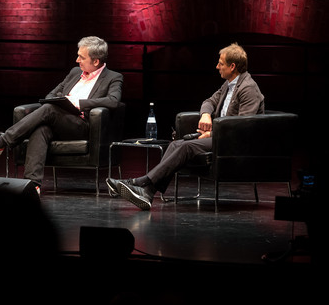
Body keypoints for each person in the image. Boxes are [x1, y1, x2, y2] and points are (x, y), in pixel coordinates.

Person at [106, 43, 265, 210]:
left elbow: (242, 126)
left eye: (221, 63)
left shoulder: (248, 88)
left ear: (232, 66)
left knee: (187, 147)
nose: (217, 66)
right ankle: (148, 192)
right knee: (175, 144)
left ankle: (140, 182)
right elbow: (209, 101)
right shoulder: (229, 84)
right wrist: (205, 115)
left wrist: (212, 134)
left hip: (233, 143)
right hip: (220, 136)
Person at [0, 36, 123, 194]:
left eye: (81, 57)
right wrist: (62, 102)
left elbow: (113, 101)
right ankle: (33, 185)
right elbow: (50, 95)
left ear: (96, 61)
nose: (77, 60)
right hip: (57, 119)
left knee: (49, 109)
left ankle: (1, 142)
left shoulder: (113, 77)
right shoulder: (75, 72)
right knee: (41, 128)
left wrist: (78, 103)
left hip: (82, 125)